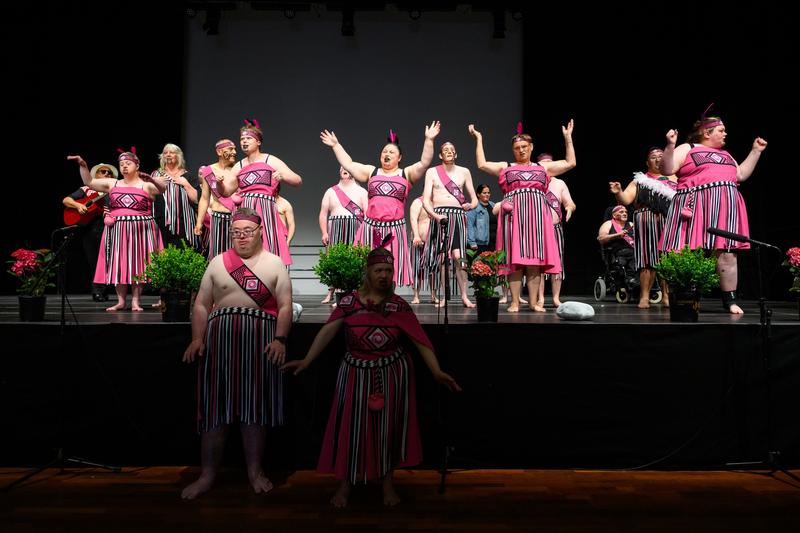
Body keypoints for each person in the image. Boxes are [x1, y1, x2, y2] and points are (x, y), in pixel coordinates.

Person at [282, 246, 460, 508]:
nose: (384, 275)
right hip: (354, 373)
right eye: (379, 270)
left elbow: (420, 341)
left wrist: (436, 371)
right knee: (351, 428)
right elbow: (327, 332)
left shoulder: (398, 306)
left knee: (388, 430)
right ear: (368, 273)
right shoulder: (348, 303)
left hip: (392, 375)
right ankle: (345, 484)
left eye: (389, 271)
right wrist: (307, 360)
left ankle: (388, 484)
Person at [181, 208, 293, 499]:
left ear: (260, 233)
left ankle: (254, 472)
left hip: (261, 344)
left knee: (254, 410)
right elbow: (202, 304)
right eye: (236, 232)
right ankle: (207, 475)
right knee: (215, 409)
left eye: (247, 231)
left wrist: (280, 339)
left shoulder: (275, 263)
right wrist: (197, 338)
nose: (241, 237)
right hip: (219, 346)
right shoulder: (218, 262)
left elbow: (284, 306)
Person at [661, 113, 767, 314]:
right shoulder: (688, 148)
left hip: (724, 208)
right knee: (687, 251)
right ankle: (685, 298)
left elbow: (740, 175)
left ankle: (730, 300)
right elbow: (667, 169)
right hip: (694, 207)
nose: (725, 133)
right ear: (706, 132)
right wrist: (669, 146)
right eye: (721, 130)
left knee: (727, 253)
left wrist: (755, 151)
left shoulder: (726, 154)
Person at [469, 120, 576, 312]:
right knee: (515, 260)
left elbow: (570, 163)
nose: (521, 150)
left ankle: (534, 302)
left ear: (531, 147)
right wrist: (479, 139)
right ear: (512, 150)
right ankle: (515, 301)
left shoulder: (543, 168)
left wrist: (568, 139)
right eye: (517, 147)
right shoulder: (506, 166)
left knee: (535, 261)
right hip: (514, 218)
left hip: (536, 217)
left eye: (524, 146)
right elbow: (482, 164)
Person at [320, 121, 441, 287]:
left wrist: (429, 140)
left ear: (399, 158)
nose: (387, 153)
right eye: (384, 151)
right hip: (371, 227)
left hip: (394, 229)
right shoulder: (372, 172)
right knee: (366, 268)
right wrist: (336, 145)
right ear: (380, 156)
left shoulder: (406, 174)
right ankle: (367, 303)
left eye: (391, 152)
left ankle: (387, 303)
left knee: (389, 269)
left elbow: (424, 162)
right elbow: (349, 164)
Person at [67, 151, 166, 311]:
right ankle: (120, 301)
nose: (124, 167)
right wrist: (83, 166)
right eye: (121, 164)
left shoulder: (146, 184)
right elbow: (90, 182)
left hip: (141, 231)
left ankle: (135, 301)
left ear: (137, 166)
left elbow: (162, 189)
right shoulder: (113, 183)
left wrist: (152, 179)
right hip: (118, 230)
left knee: (138, 265)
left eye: (128, 164)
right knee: (119, 264)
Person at [219, 119, 302, 266]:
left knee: (268, 242)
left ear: (258, 142)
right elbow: (226, 192)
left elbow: (297, 180)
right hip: (245, 210)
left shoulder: (270, 160)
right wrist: (219, 184)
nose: (244, 142)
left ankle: (270, 277)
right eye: (242, 139)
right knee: (245, 244)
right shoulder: (238, 165)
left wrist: (283, 176)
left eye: (248, 138)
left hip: (265, 208)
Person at [609, 147, 677, 308]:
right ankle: (644, 297)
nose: (658, 159)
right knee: (648, 260)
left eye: (661, 156)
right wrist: (618, 192)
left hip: (669, 222)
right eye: (654, 157)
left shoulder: (675, 179)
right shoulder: (639, 180)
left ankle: (667, 296)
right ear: (648, 163)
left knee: (668, 259)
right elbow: (625, 199)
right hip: (647, 221)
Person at [422, 141, 478, 308]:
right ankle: (445, 297)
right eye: (445, 150)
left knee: (459, 258)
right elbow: (426, 199)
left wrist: (471, 205)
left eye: (452, 150)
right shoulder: (432, 172)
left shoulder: (464, 172)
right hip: (440, 217)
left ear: (456, 154)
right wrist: (435, 215)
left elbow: (474, 198)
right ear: (440, 155)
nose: (448, 152)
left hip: (458, 216)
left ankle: (464, 296)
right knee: (443, 259)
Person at [62, 162, 118, 301]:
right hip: (91, 229)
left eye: (109, 172)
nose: (106, 174)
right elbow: (66, 200)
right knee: (94, 260)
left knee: (109, 260)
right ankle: (98, 290)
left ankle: (107, 290)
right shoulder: (86, 189)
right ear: (95, 175)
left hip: (111, 227)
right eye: (103, 171)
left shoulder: (114, 189)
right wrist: (78, 205)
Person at [318, 166, 368, 304]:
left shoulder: (361, 191)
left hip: (356, 227)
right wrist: (324, 232)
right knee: (334, 259)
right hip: (335, 226)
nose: (345, 169)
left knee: (355, 259)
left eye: (348, 167)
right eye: (342, 168)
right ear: (339, 171)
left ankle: (353, 294)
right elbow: (323, 213)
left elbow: (368, 213)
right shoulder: (331, 191)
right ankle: (333, 293)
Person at [535, 153, 576, 308]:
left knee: (557, 263)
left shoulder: (559, 183)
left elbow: (570, 202)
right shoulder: (534, 182)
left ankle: (556, 297)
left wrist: (569, 208)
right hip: (538, 229)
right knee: (538, 264)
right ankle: (539, 298)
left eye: (551, 164)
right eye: (545, 164)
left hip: (555, 228)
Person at [194, 139, 239, 259]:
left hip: (237, 219)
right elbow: (204, 198)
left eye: (235, 149)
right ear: (219, 152)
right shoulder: (208, 171)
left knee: (236, 255)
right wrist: (199, 223)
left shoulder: (238, 170)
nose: (234, 152)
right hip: (218, 218)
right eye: (230, 149)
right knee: (217, 256)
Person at [152, 143, 201, 250]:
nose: (168, 155)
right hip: (161, 223)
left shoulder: (188, 176)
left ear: (178, 156)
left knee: (185, 252)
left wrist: (186, 184)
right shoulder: (155, 175)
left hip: (185, 224)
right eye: (165, 153)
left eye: (172, 152)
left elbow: (197, 200)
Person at [598, 205, 636, 284]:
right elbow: (601, 238)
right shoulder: (608, 224)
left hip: (633, 252)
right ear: (614, 215)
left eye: (626, 212)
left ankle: (632, 279)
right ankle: (628, 279)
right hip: (616, 253)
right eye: (621, 212)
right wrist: (617, 235)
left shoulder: (631, 224)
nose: (625, 214)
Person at [408, 196, 434, 305]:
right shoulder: (418, 202)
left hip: (433, 242)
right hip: (418, 241)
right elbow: (413, 219)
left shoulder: (437, 202)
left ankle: (434, 296)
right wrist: (416, 236)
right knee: (416, 269)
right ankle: (416, 296)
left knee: (434, 270)